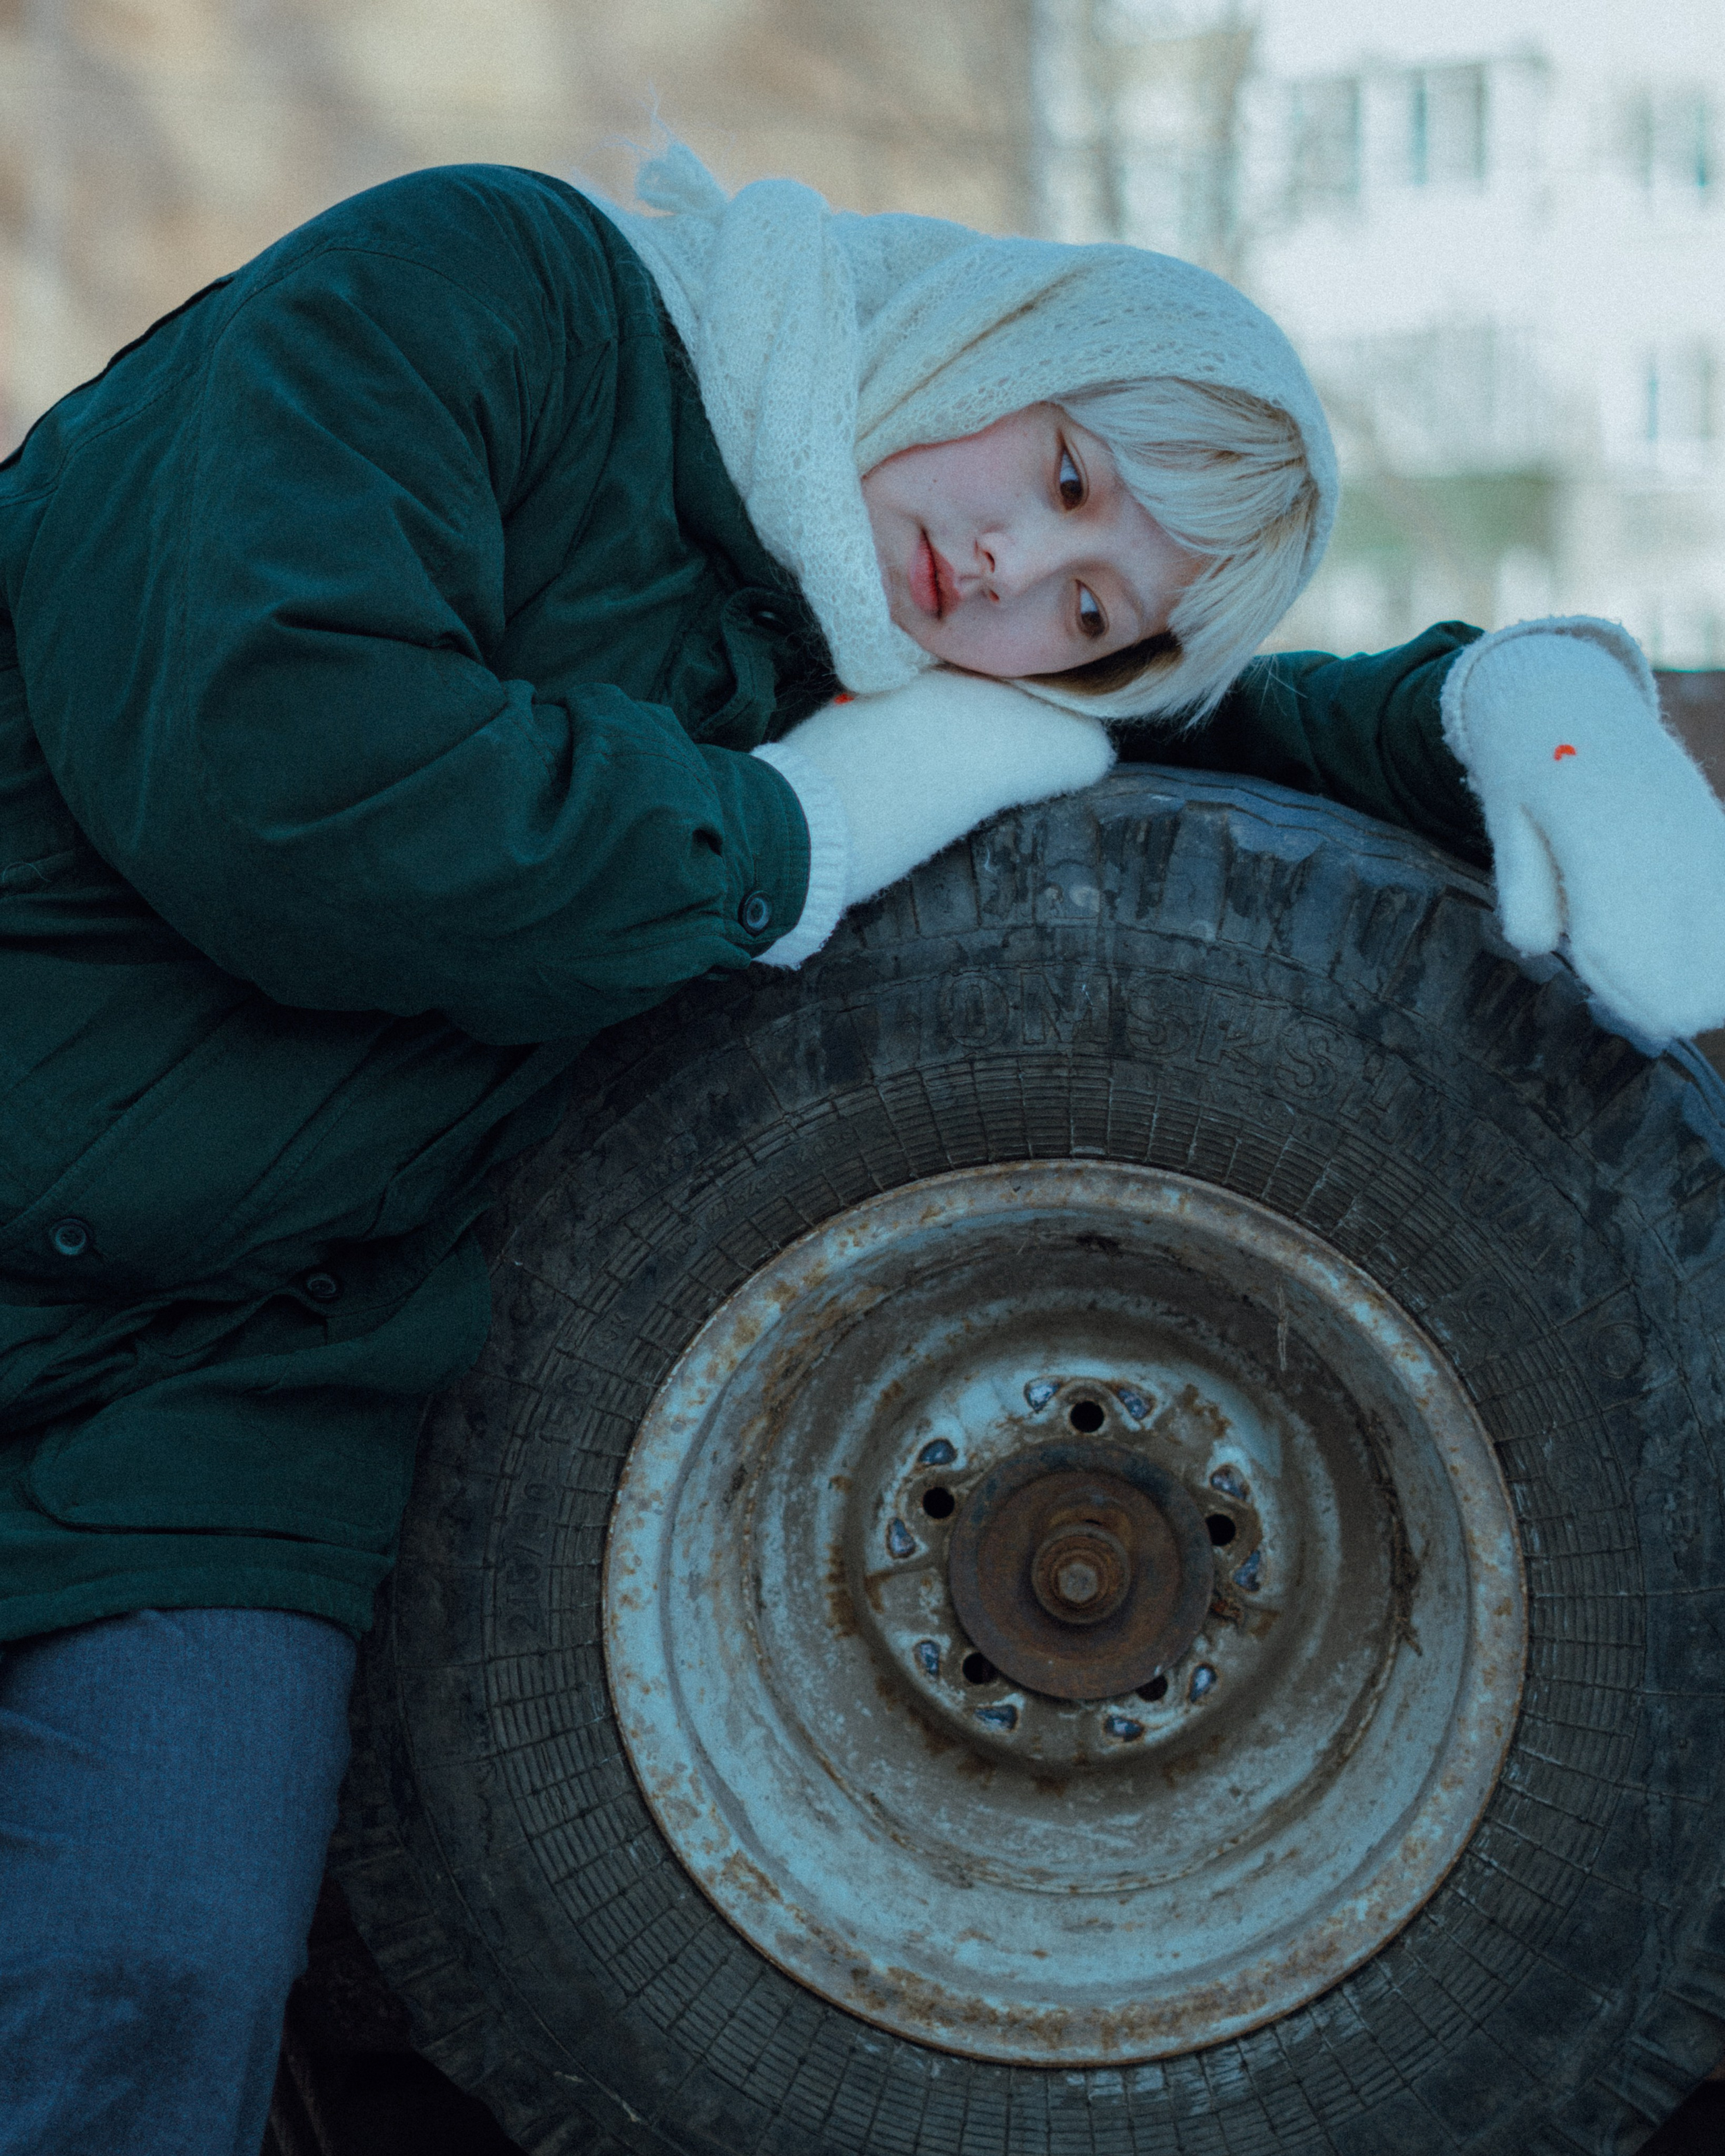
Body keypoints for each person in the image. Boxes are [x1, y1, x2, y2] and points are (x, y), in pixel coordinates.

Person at [0, 142, 1720, 2156]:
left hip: (211, 1411)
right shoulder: (499, 295)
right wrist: (779, 839)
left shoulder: (871, 670)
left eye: (1095, 611)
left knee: (147, 1980)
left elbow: (1215, 742)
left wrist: (1524, 710)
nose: (1009, 573)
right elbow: (278, 769)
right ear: (1005, 339)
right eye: (1067, 474)